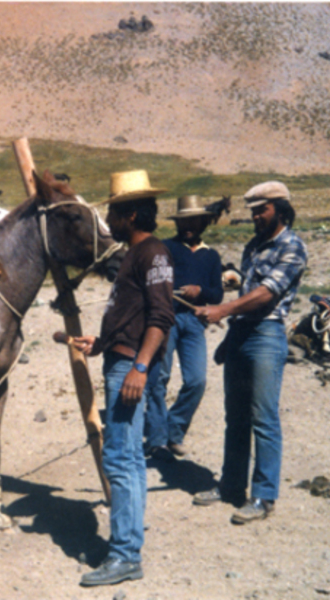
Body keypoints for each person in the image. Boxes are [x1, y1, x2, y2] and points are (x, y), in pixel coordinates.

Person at [71, 170, 175, 587]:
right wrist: (102, 343)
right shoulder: (135, 254)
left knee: (122, 459)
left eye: (113, 211)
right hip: (120, 358)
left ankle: (125, 554)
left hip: (130, 368)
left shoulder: (153, 254)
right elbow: (135, 316)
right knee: (126, 458)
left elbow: (162, 316)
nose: (108, 220)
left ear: (130, 215)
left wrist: (139, 366)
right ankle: (125, 549)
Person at [193, 181, 307, 524]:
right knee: (236, 416)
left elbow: (266, 294)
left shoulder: (293, 246)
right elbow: (248, 289)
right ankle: (231, 486)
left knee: (263, 417)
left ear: (280, 209)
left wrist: (222, 310)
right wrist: (229, 339)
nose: (256, 216)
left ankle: (263, 496)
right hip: (242, 334)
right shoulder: (253, 246)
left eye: (263, 210)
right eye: (253, 211)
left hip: (267, 334)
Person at [144, 195, 223, 459]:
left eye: (193, 221)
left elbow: (217, 295)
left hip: (195, 322)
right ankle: (156, 439)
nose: (188, 226)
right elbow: (153, 279)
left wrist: (200, 290)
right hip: (166, 318)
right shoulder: (165, 248)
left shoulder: (211, 256)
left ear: (203, 222)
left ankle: (173, 429)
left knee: (197, 380)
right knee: (158, 379)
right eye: (183, 221)